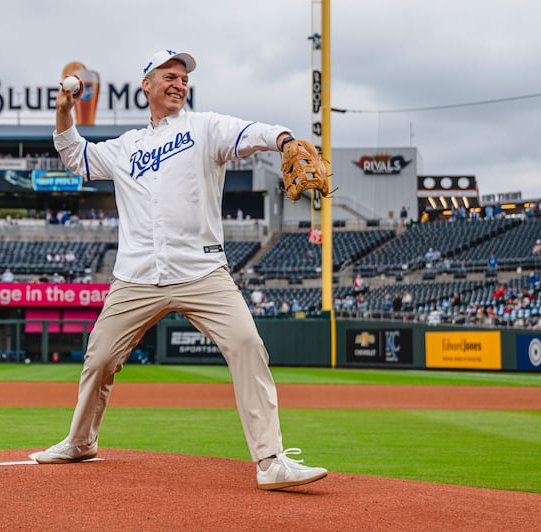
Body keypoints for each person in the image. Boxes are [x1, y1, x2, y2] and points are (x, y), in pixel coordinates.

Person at [28, 49, 328, 490]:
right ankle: (80, 441)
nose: (179, 84)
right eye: (169, 76)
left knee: (247, 344)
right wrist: (63, 112)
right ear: (146, 85)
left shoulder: (206, 128)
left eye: (184, 79)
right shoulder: (125, 147)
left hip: (202, 271)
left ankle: (270, 461)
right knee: (101, 358)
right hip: (135, 277)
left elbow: (253, 132)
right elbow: (76, 156)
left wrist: (284, 140)